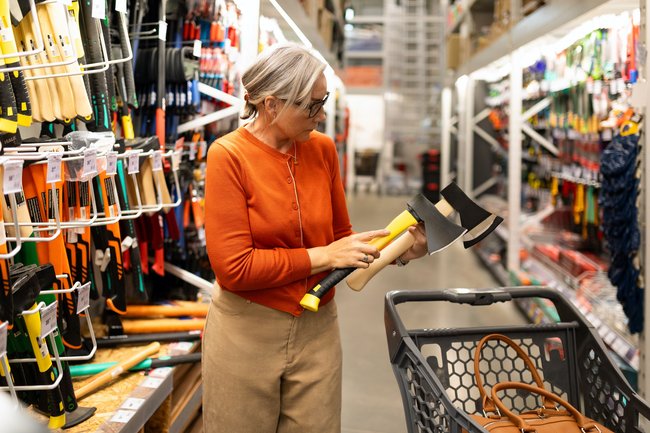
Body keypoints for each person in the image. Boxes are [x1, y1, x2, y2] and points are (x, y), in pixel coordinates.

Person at [202, 43, 428, 433]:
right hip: (246, 332)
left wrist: (401, 250)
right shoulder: (229, 156)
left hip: (318, 332)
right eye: (312, 106)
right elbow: (234, 268)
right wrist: (323, 257)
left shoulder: (322, 150)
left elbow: (343, 239)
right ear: (272, 104)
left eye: (323, 102)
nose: (322, 116)